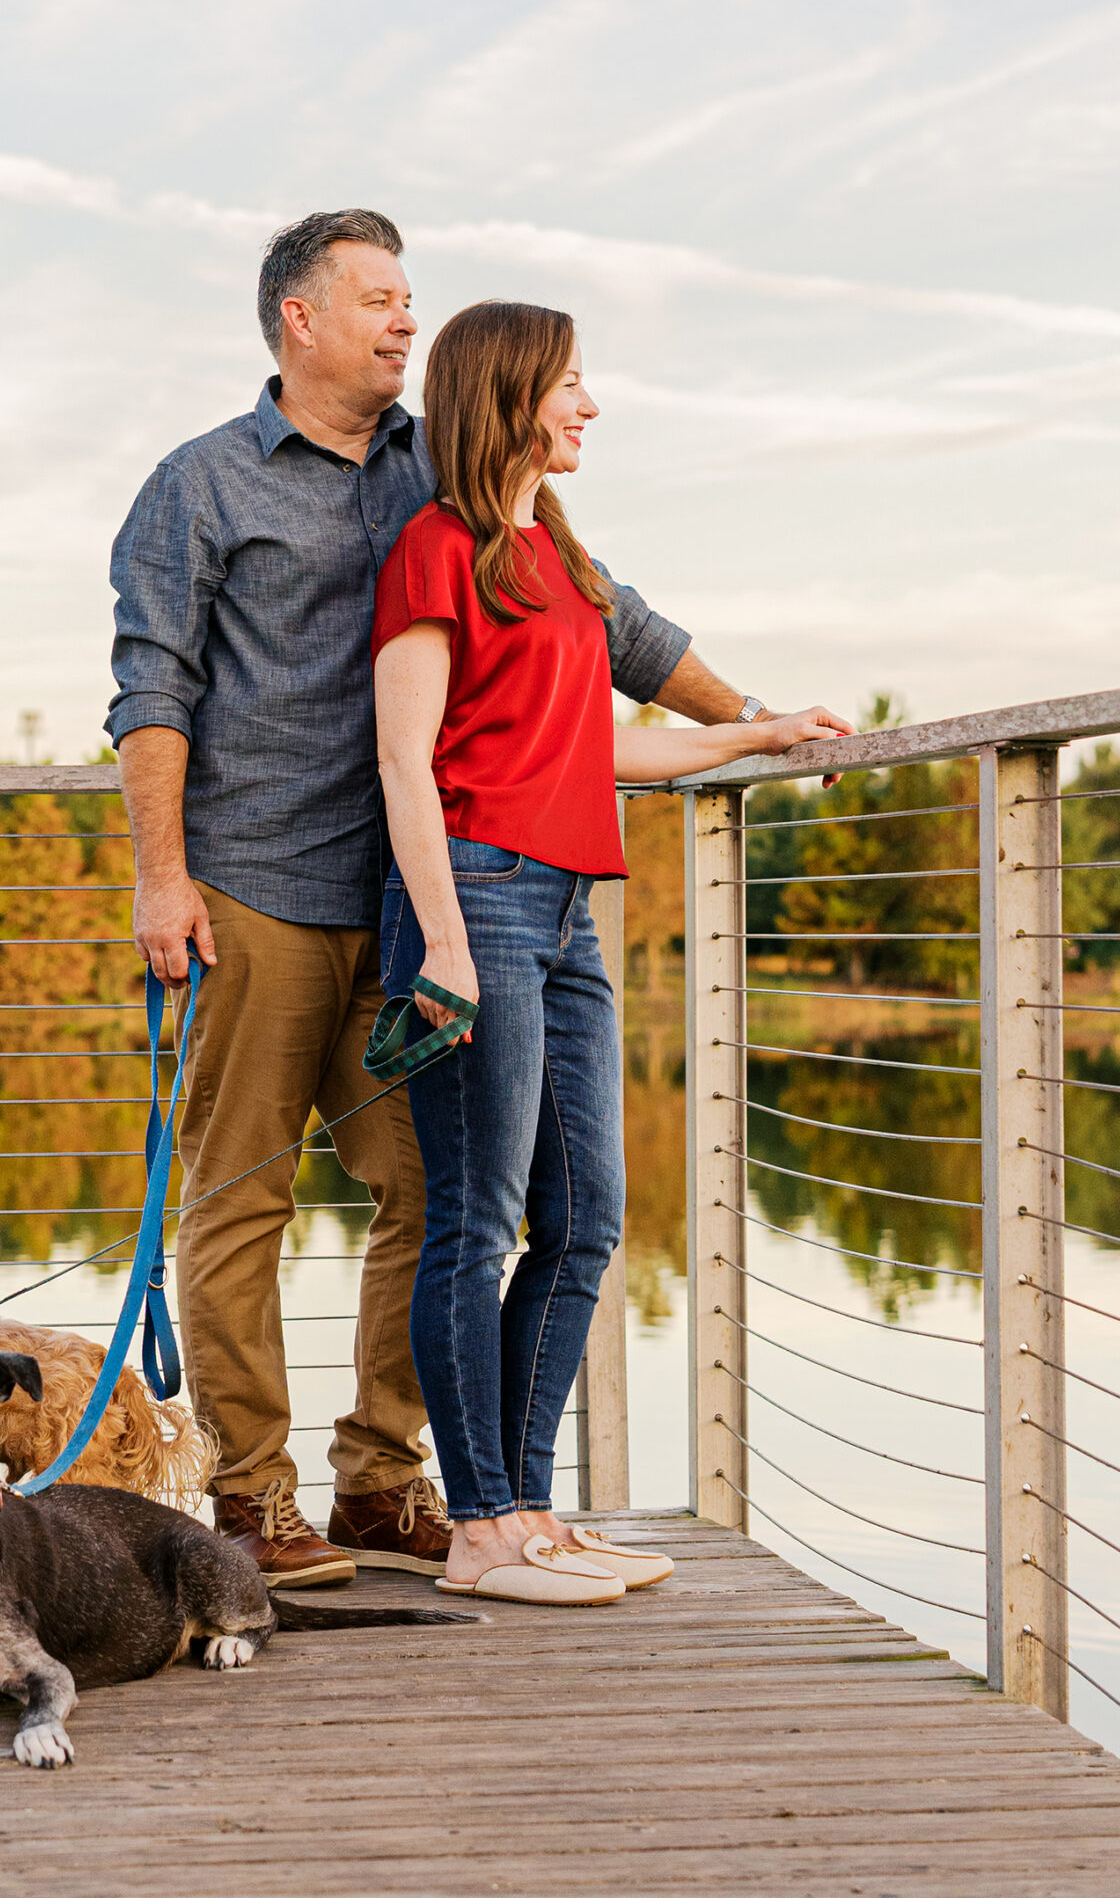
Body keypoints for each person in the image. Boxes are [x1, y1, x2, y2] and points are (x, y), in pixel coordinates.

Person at [107, 210, 817, 1589]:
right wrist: (159, 873)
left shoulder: (451, 472)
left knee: (440, 1198)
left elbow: (615, 631)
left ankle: (385, 1479)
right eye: (377, 299)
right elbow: (152, 691)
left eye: (411, 299)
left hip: (429, 890)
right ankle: (252, 1495)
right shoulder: (198, 486)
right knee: (241, 1195)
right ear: (298, 319)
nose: (403, 322)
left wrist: (757, 718)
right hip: (254, 884)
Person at [374, 299, 850, 1603]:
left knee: (586, 1223)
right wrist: (447, 944)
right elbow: (406, 764)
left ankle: (529, 1510)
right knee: (474, 1223)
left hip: (574, 904)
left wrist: (753, 735)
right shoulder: (437, 550)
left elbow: (597, 749)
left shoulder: (565, 562)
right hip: (473, 899)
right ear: (509, 393)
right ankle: (478, 1531)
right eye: (571, 383)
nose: (590, 406)